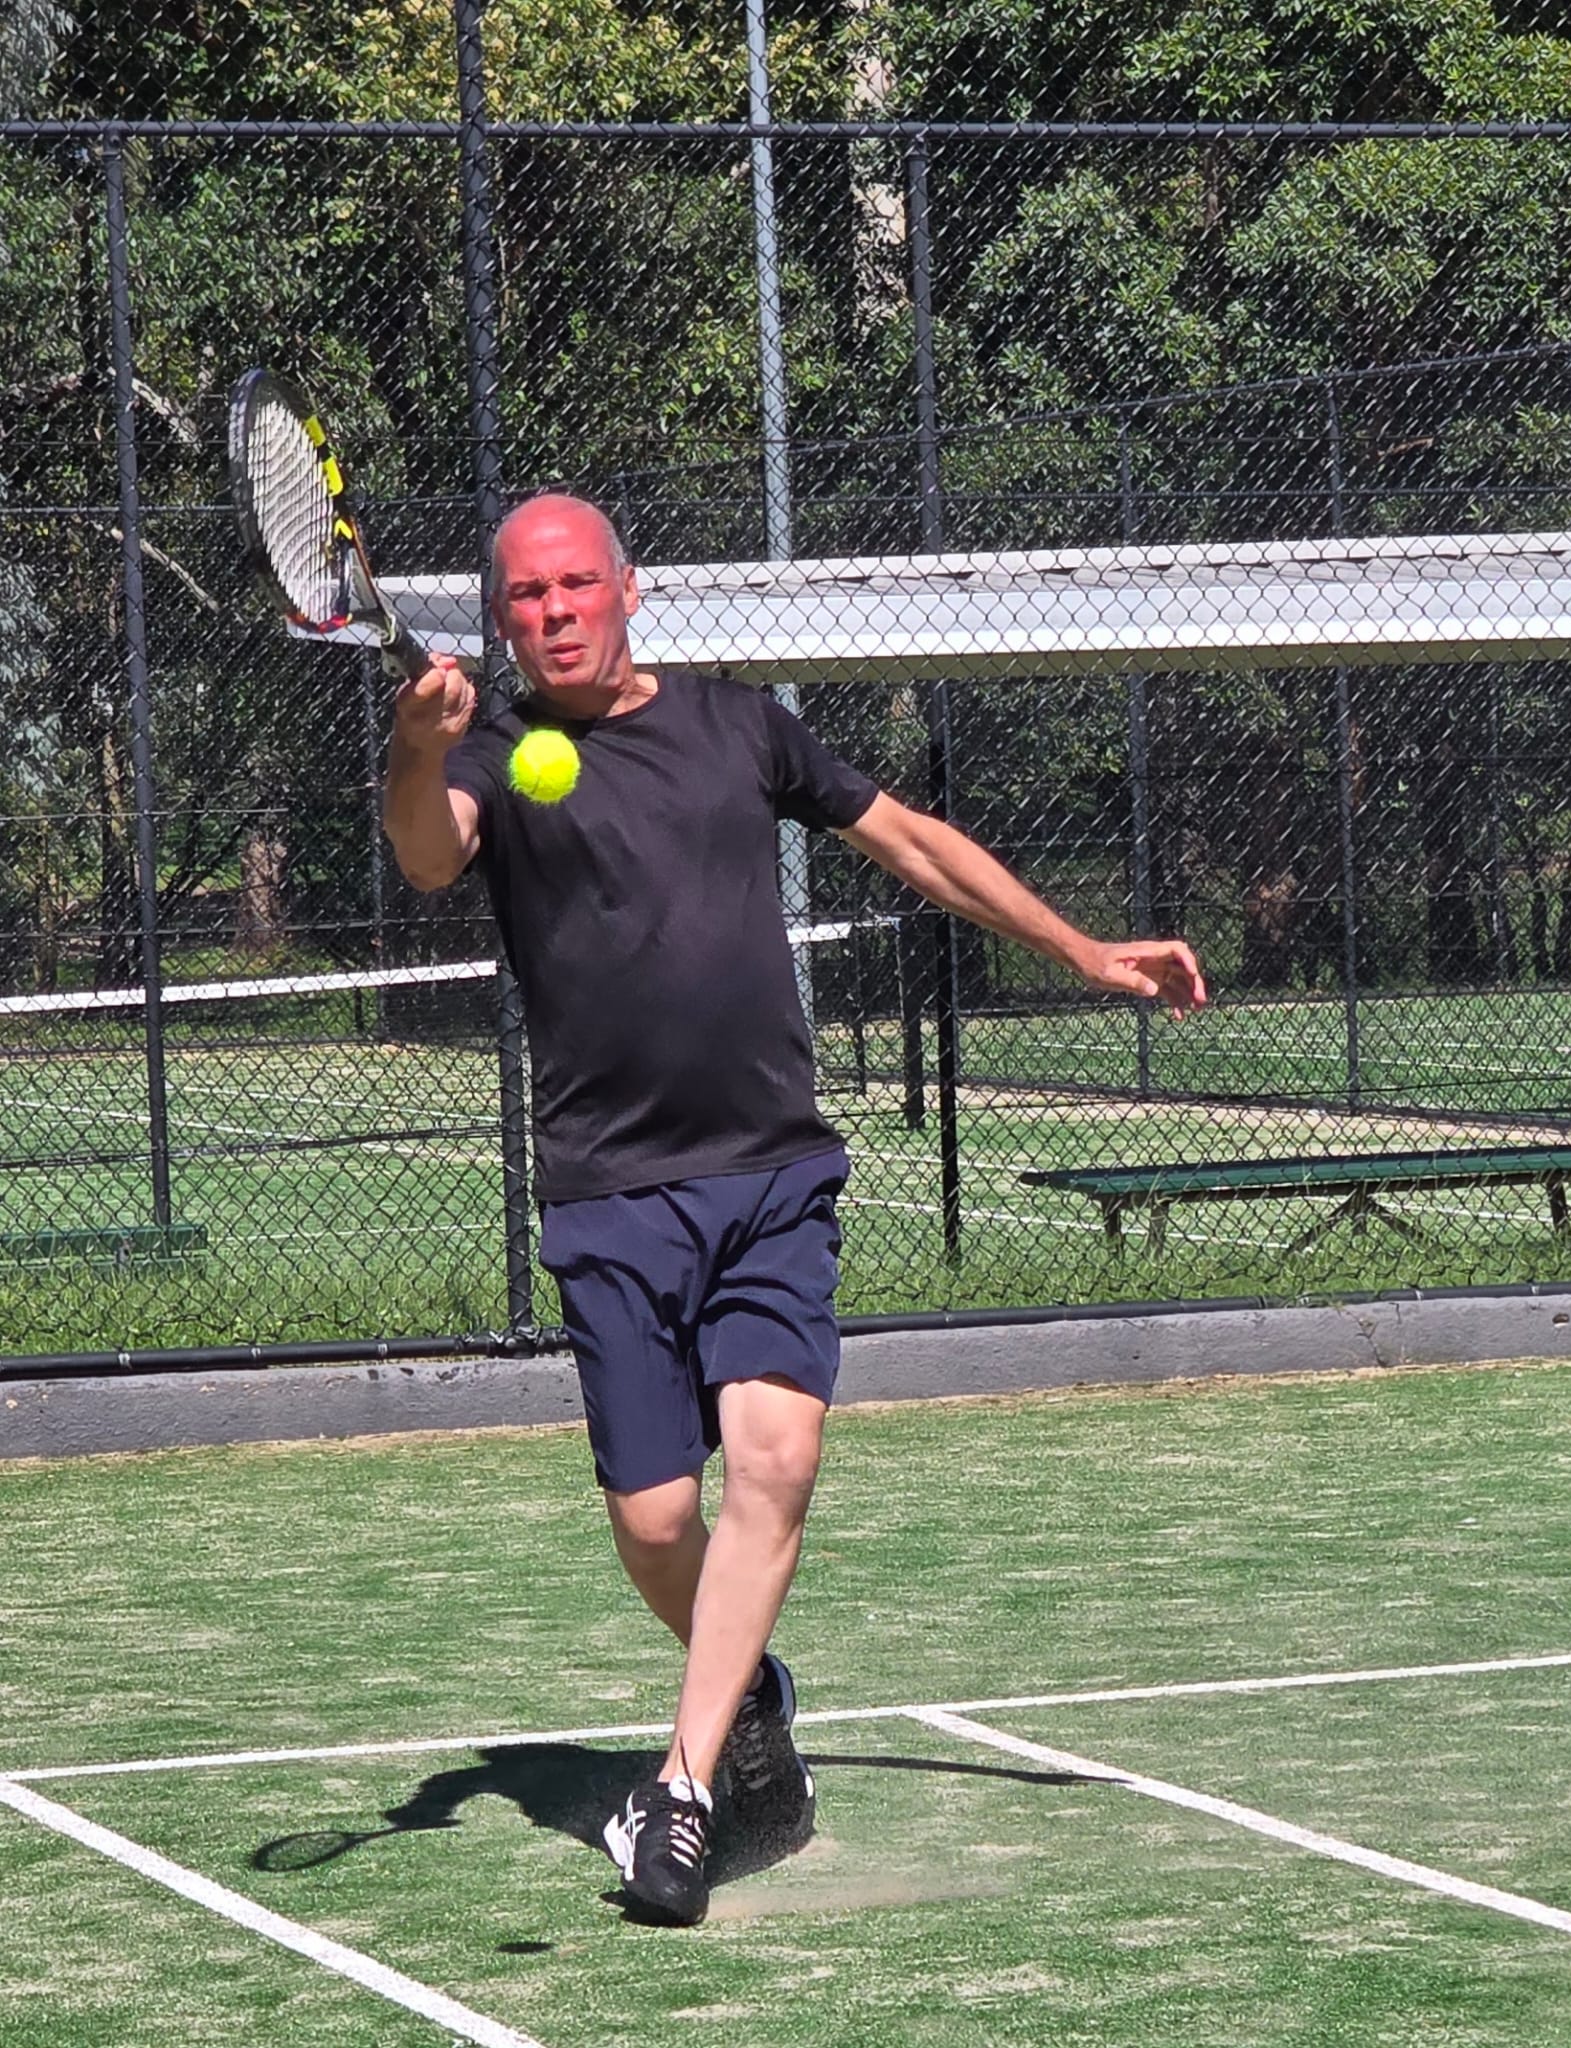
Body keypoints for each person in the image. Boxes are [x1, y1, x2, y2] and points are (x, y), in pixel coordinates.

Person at [382, 492, 1206, 1927]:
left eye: (577, 584)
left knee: (772, 1470)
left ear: (628, 589)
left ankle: (682, 1793)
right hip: (610, 1196)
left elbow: (915, 844)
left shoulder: (743, 724)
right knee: (654, 1522)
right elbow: (425, 853)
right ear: (501, 616)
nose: (555, 611)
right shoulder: (497, 757)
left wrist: (1081, 948)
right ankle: (745, 1680)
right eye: (525, 596)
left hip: (770, 1175)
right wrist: (413, 746)